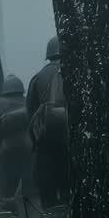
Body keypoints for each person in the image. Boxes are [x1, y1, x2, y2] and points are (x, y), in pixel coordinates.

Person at [27, 36, 70, 208]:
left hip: (45, 140)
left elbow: (31, 113)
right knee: (70, 185)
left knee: (47, 188)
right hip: (72, 140)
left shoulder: (38, 77)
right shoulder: (79, 71)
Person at [0, 75, 33, 214]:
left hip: (6, 151)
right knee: (30, 190)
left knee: (7, 191)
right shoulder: (29, 102)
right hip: (30, 150)